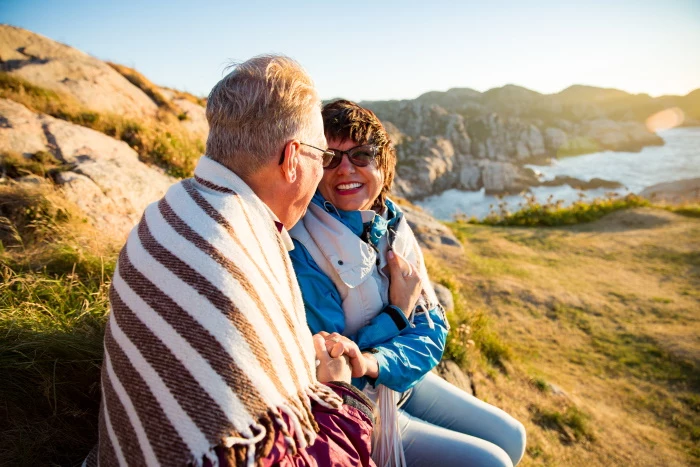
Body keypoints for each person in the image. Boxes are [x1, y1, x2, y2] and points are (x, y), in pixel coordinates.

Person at [86, 57, 380, 467]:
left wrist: (290, 353)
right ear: (293, 158)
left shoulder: (171, 210)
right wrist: (340, 395)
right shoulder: (240, 249)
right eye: (324, 157)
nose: (325, 171)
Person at [289, 100, 527, 467]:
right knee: (491, 462)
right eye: (330, 158)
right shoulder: (303, 245)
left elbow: (432, 329)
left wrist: (376, 359)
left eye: (362, 155)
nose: (345, 169)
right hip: (358, 403)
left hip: (399, 380)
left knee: (513, 436)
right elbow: (334, 362)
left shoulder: (393, 224)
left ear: (383, 163)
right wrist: (398, 314)